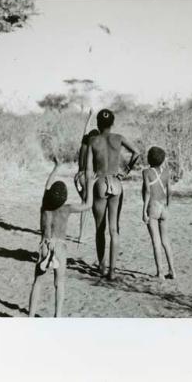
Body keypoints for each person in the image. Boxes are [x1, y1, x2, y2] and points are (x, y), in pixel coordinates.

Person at [29, 157, 97, 317]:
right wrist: (91, 184)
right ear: (64, 198)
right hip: (59, 247)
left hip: (45, 246)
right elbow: (88, 205)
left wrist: (56, 168)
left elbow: (47, 186)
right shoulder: (66, 209)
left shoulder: (44, 207)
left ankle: (31, 316)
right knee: (59, 283)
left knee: (37, 282)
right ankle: (57, 316)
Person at [86, 109, 139, 280]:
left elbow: (88, 171)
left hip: (100, 183)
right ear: (112, 123)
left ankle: (101, 268)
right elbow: (137, 152)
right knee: (114, 229)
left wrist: (85, 191)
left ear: (98, 124)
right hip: (117, 184)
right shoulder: (119, 138)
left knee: (99, 230)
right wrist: (126, 171)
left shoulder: (92, 140)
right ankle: (113, 271)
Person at [142, 146, 176, 279]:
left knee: (156, 241)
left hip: (153, 207)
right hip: (164, 208)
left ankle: (160, 272)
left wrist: (144, 210)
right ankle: (172, 270)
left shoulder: (146, 172)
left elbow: (147, 191)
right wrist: (168, 205)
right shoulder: (167, 172)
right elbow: (170, 191)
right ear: (162, 159)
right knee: (165, 241)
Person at [74, 109, 99, 245]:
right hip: (86, 179)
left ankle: (83, 234)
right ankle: (82, 236)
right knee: (86, 206)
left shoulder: (84, 143)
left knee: (86, 205)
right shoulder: (93, 148)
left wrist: (90, 116)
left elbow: (86, 129)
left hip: (77, 177)